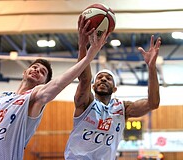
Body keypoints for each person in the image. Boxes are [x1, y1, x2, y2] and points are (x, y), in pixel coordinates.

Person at [0, 26, 109, 160]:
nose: (37, 70)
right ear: (25, 72)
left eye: (42, 72)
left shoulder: (35, 97)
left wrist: (89, 55)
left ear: (43, 83)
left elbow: (60, 82)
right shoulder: (3, 98)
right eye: (34, 67)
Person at [64, 15, 161, 160]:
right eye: (100, 77)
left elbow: (153, 103)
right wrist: (83, 46)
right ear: (93, 85)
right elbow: (84, 79)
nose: (103, 79)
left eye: (108, 78)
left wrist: (152, 68)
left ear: (115, 89)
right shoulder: (86, 102)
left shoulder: (122, 108)